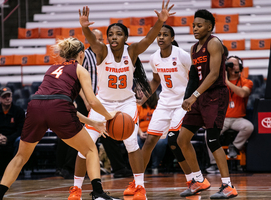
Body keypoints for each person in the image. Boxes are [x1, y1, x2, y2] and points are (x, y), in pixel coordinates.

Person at [70, 2, 175, 200]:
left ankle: (140, 187)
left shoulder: (132, 51)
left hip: (126, 103)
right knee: (85, 146)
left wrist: (160, 21)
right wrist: (84, 27)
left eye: (118, 34)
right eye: (111, 34)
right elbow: (92, 39)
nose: (113, 37)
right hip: (103, 105)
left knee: (131, 144)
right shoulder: (101, 51)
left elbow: (149, 39)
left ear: (125, 37)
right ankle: (76, 190)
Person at [0, 37, 118, 200]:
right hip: (58, 108)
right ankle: (99, 193)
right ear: (81, 54)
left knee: (20, 157)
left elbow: (61, 106)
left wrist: (93, 122)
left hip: (35, 106)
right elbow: (90, 101)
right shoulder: (80, 70)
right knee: (90, 150)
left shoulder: (52, 68)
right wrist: (109, 116)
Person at [177, 9, 238, 199]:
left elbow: (213, 74)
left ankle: (228, 186)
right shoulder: (194, 49)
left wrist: (193, 96)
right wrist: (187, 99)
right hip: (199, 96)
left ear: (209, 27)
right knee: (182, 139)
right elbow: (194, 77)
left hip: (216, 95)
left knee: (212, 140)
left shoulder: (214, 43)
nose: (195, 28)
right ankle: (199, 180)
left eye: (199, 25)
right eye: (193, 25)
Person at [134, 24, 194, 186]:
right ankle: (138, 182)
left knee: (174, 140)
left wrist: (194, 97)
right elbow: (155, 81)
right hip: (165, 102)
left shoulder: (183, 55)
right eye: (159, 34)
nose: (161, 37)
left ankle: (193, 179)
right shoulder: (154, 58)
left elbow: (196, 77)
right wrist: (143, 98)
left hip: (183, 102)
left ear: (172, 38)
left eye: (165, 34)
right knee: (150, 141)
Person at [77, 28, 133, 178]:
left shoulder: (111, 54)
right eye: (98, 39)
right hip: (88, 100)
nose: (101, 42)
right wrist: (86, 100)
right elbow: (77, 80)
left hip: (101, 100)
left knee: (109, 135)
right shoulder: (87, 55)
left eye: (102, 39)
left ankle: (118, 168)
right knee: (84, 139)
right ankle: (75, 175)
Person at [206, 55, 254, 173]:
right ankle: (214, 164)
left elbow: (243, 93)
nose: (232, 67)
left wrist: (227, 82)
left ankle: (235, 146)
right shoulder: (219, 83)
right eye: (229, 65)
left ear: (240, 67)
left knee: (249, 127)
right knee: (208, 134)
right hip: (223, 118)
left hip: (239, 118)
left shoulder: (246, 82)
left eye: (235, 64)